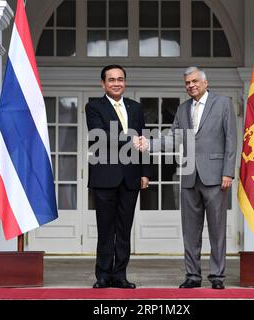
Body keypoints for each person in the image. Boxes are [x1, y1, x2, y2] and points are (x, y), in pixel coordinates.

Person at [137, 67, 237, 289]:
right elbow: (174, 139)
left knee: (217, 230)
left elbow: (231, 139)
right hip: (188, 175)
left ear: (205, 82)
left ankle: (217, 277)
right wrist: (149, 144)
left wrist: (228, 172)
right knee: (190, 230)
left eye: (194, 81)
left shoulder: (223, 104)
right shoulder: (182, 109)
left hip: (215, 176)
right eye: (187, 83)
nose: (191, 85)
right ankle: (192, 275)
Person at [85, 65, 150, 289]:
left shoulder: (136, 108)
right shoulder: (94, 107)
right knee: (105, 229)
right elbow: (99, 136)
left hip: (131, 178)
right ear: (103, 84)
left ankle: (120, 275)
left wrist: (145, 172)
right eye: (111, 80)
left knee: (124, 229)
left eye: (120, 79)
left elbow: (143, 142)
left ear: (125, 82)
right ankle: (103, 275)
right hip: (104, 177)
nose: (116, 83)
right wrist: (129, 141)